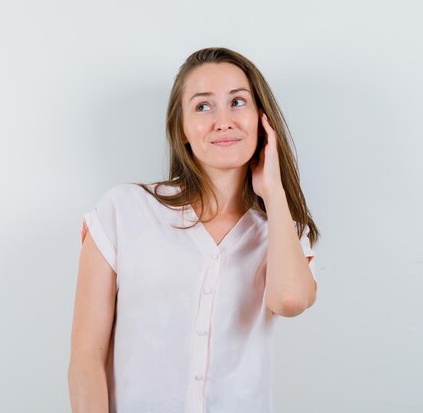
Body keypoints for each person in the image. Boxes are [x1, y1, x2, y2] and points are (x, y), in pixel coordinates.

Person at [68, 47, 321, 413]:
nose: (223, 120)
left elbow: (290, 301)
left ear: (263, 120)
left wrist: (275, 191)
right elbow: (86, 358)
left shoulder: (283, 231)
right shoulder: (122, 211)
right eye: (203, 106)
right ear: (182, 129)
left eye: (238, 102)